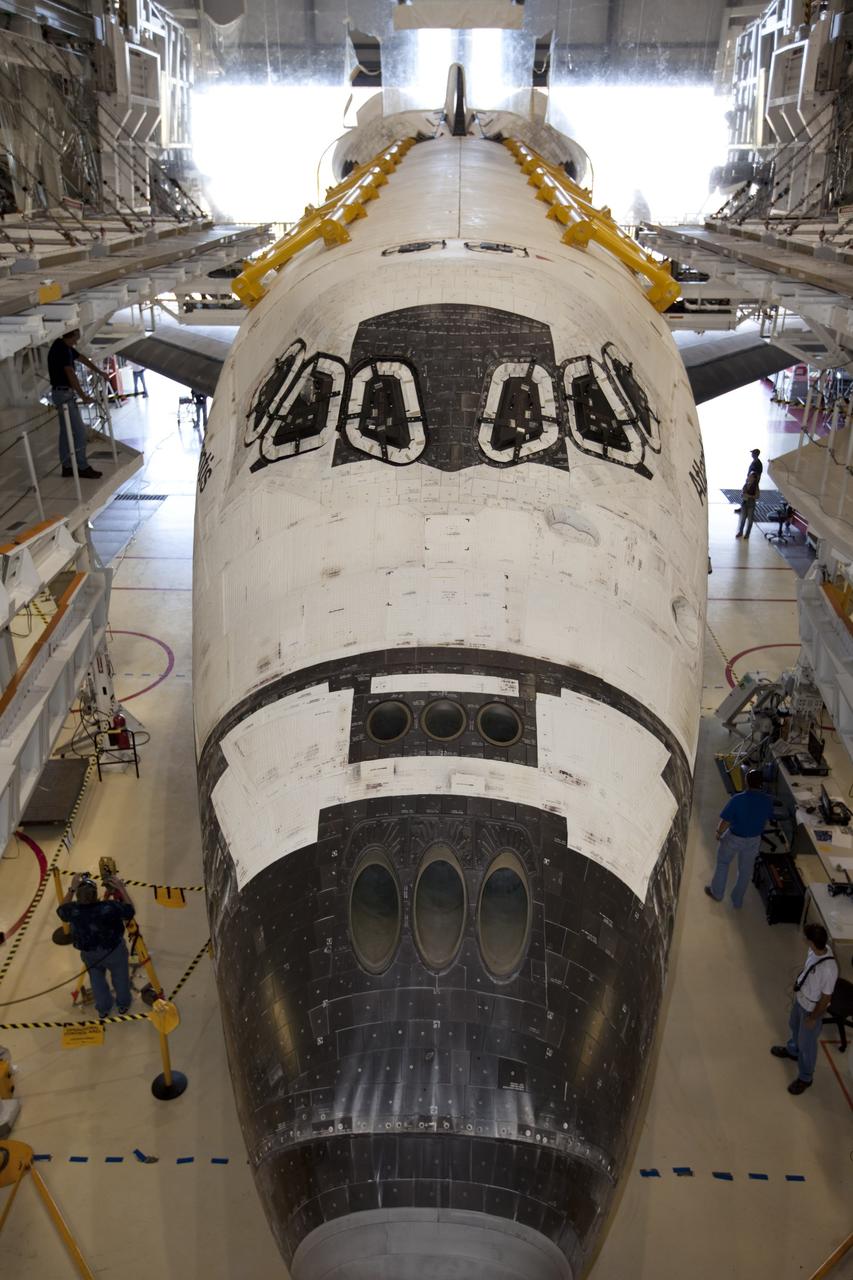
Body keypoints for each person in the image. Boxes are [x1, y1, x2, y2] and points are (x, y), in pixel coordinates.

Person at [56, 873, 136, 1018]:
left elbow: (61, 911)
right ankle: (123, 1005)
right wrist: (121, 888)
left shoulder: (73, 911)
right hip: (114, 951)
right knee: (121, 978)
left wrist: (72, 888)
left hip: (90, 954)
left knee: (97, 980)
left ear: (78, 897)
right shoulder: (109, 907)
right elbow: (130, 911)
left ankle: (103, 1009)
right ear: (95, 894)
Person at [771, 923, 838, 1094]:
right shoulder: (814, 951)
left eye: (805, 937)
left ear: (811, 942)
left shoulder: (829, 969)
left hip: (811, 1009)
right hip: (801, 1000)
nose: (803, 938)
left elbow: (825, 999)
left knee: (807, 1045)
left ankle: (805, 1077)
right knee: (794, 1026)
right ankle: (793, 1050)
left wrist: (813, 1018)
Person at [705, 769, 774, 908]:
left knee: (723, 863)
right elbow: (766, 819)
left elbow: (725, 820)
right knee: (745, 871)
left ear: (746, 782)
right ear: (761, 784)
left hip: (734, 837)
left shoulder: (737, 799)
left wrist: (719, 832)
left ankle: (717, 893)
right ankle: (737, 901)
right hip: (754, 840)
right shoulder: (768, 800)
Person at [47, 328, 110, 479]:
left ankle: (67, 466)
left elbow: (81, 358)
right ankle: (82, 466)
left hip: (58, 393)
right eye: (76, 337)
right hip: (64, 394)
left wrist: (99, 371)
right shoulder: (63, 350)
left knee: (65, 432)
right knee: (80, 432)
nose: (76, 341)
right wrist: (83, 395)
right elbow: (70, 372)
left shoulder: (61, 346)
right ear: (71, 335)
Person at [735, 466, 759, 538]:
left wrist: (749, 496)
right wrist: (742, 494)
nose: (749, 477)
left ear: (754, 479)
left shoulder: (755, 487)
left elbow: (757, 496)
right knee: (743, 519)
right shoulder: (746, 485)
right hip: (744, 503)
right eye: (749, 476)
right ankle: (740, 532)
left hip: (751, 504)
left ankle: (747, 534)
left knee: (750, 519)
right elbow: (742, 492)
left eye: (751, 477)